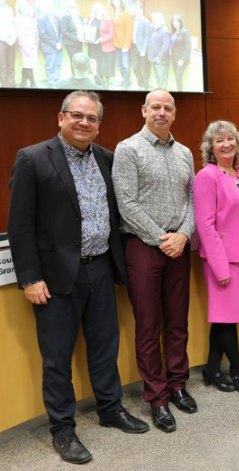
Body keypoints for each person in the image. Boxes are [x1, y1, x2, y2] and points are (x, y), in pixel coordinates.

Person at [8, 90, 149, 464]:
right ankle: (63, 430)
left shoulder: (106, 159)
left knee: (105, 346)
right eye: (77, 115)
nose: (84, 122)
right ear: (61, 117)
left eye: (92, 118)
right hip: (54, 279)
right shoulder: (33, 158)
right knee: (57, 358)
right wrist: (30, 278)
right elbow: (19, 225)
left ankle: (110, 409)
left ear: (99, 125)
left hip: (101, 268)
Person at [113, 89, 196, 433]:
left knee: (177, 323)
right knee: (148, 328)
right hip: (145, 248)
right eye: (156, 107)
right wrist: (163, 239)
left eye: (168, 108)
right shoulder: (128, 149)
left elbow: (192, 199)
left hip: (179, 247)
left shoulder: (185, 152)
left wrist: (185, 235)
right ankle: (157, 398)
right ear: (144, 110)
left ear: (174, 114)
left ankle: (177, 385)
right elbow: (126, 203)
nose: (162, 112)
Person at [194, 121, 239, 395]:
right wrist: (220, 268)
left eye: (230, 138)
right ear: (210, 147)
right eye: (219, 140)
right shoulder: (207, 176)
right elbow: (205, 225)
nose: (226, 144)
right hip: (223, 260)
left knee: (225, 318)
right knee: (226, 318)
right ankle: (238, 370)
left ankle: (211, 367)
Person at [86, 2, 115, 89]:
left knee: (106, 67)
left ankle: (106, 86)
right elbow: (86, 29)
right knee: (96, 66)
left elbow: (111, 34)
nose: (99, 11)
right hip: (93, 47)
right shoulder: (90, 18)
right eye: (97, 9)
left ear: (103, 10)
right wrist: (86, 37)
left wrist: (100, 40)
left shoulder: (108, 20)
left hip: (105, 46)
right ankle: (98, 84)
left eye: (100, 9)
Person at [110, 0, 134, 89]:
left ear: (121, 1)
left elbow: (129, 31)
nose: (115, 2)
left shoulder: (127, 14)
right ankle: (124, 79)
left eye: (117, 0)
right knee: (119, 65)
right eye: (114, 1)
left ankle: (126, 82)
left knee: (125, 65)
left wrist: (126, 45)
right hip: (115, 43)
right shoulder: (112, 11)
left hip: (124, 44)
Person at [38, 0, 63, 88]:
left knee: (58, 64)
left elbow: (61, 31)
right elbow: (43, 35)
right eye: (48, 7)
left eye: (51, 6)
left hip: (59, 46)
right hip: (49, 47)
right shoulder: (41, 18)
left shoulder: (57, 17)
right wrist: (54, 44)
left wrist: (60, 42)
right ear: (44, 8)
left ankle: (57, 82)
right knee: (50, 66)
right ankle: (51, 83)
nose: (51, 8)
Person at [15, 0, 37, 88]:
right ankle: (33, 84)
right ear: (19, 8)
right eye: (23, 7)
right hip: (25, 46)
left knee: (28, 65)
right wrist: (26, 48)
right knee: (28, 65)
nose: (26, 9)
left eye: (27, 6)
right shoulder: (18, 19)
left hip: (32, 45)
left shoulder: (29, 18)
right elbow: (20, 35)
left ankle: (23, 84)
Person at [131, 4, 151, 90]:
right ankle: (140, 82)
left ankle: (145, 85)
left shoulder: (145, 21)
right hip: (133, 47)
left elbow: (147, 37)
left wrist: (144, 50)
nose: (136, 11)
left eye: (137, 9)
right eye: (134, 9)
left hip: (142, 48)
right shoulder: (132, 19)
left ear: (141, 10)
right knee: (135, 67)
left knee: (145, 67)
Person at [0, 0, 18, 87]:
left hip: (11, 40)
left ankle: (12, 84)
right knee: (3, 66)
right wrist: (5, 37)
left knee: (11, 64)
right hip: (1, 41)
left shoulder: (9, 9)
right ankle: (5, 87)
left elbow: (13, 24)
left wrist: (13, 36)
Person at [148, 12, 171, 89]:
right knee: (159, 81)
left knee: (162, 83)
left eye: (157, 20)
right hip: (156, 60)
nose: (155, 21)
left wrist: (159, 58)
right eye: (154, 20)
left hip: (161, 61)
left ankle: (162, 98)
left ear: (161, 20)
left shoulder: (165, 31)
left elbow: (166, 48)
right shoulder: (156, 28)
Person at [61, 0, 85, 69]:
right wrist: (77, 38)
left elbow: (83, 28)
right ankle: (75, 78)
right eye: (70, 7)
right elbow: (64, 32)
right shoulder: (65, 17)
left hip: (80, 42)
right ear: (67, 8)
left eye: (74, 7)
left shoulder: (79, 16)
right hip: (71, 43)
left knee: (80, 61)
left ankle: (80, 77)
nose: (73, 9)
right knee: (74, 61)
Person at [170, 14, 191, 91]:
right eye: (173, 21)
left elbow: (188, 47)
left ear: (180, 22)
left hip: (182, 60)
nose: (175, 23)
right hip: (174, 58)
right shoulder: (173, 31)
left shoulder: (185, 32)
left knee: (178, 77)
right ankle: (179, 91)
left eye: (177, 21)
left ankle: (180, 93)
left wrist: (182, 60)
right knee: (177, 77)